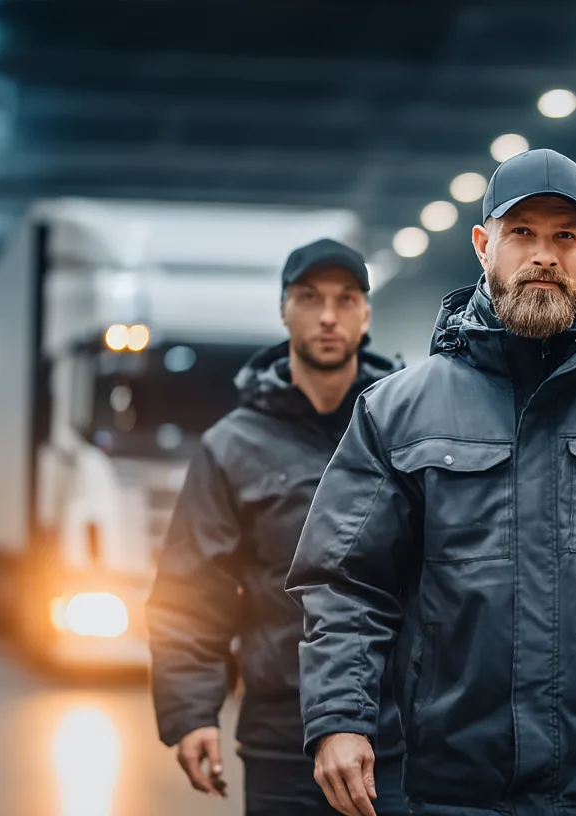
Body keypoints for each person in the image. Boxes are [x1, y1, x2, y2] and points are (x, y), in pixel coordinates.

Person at [286, 148, 576, 816]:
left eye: (564, 236)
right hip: (454, 784)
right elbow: (346, 582)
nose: (544, 254)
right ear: (484, 245)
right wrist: (339, 715)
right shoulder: (399, 412)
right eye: (522, 233)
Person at [146, 238, 404, 816]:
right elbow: (191, 593)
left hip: (401, 729)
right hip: (282, 732)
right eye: (310, 298)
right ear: (284, 309)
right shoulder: (232, 447)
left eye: (346, 298)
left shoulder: (408, 428)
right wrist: (191, 713)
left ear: (366, 313)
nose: (329, 316)